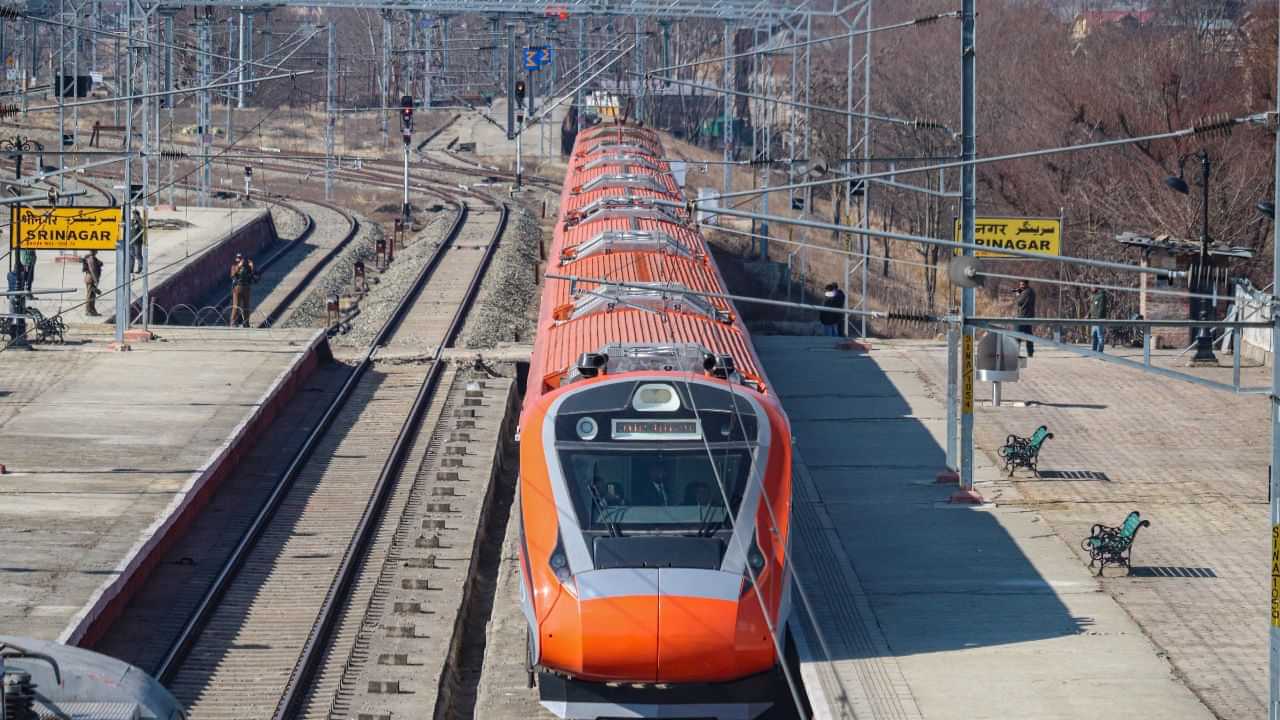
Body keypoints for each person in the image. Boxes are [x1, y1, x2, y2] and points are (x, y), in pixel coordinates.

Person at [229, 253, 257, 327]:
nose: (239, 260)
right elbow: (232, 275)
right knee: (236, 306)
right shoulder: (234, 266)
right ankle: (233, 322)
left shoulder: (248, 267)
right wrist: (239, 266)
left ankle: (246, 322)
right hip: (237, 288)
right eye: (238, 258)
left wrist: (252, 267)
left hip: (246, 288)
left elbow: (254, 276)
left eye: (240, 258)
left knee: (246, 306)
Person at [1014, 279, 1036, 358]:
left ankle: (1016, 353)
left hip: (1022, 317)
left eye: (1022, 285)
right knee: (1029, 336)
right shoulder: (1031, 291)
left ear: (1026, 284)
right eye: (1020, 285)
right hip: (1029, 316)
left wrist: (1018, 294)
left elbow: (1019, 302)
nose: (1021, 286)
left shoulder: (1026, 292)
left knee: (1017, 335)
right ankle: (1030, 353)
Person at [82, 250, 102, 316]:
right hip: (90, 278)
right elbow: (92, 269)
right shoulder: (91, 258)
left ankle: (92, 310)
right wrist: (95, 280)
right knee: (90, 295)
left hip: (90, 278)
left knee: (92, 295)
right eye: (96, 250)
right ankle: (88, 311)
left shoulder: (92, 258)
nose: (97, 252)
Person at [1089, 285, 1109, 353]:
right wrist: (1089, 315)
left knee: (1100, 335)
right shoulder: (1094, 296)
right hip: (1093, 319)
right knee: (1094, 335)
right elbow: (1093, 308)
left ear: (1096, 287)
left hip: (1099, 319)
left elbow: (1101, 308)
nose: (1091, 288)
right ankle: (1094, 352)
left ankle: (1100, 352)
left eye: (1092, 287)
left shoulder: (1101, 295)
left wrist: (1098, 318)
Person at [129, 209, 144, 275]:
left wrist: (139, 220)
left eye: (135, 215)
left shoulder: (140, 222)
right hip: (131, 241)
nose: (134, 216)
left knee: (138, 255)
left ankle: (140, 268)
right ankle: (130, 269)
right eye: (133, 215)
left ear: (138, 215)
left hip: (137, 242)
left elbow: (143, 228)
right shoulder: (131, 222)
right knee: (131, 256)